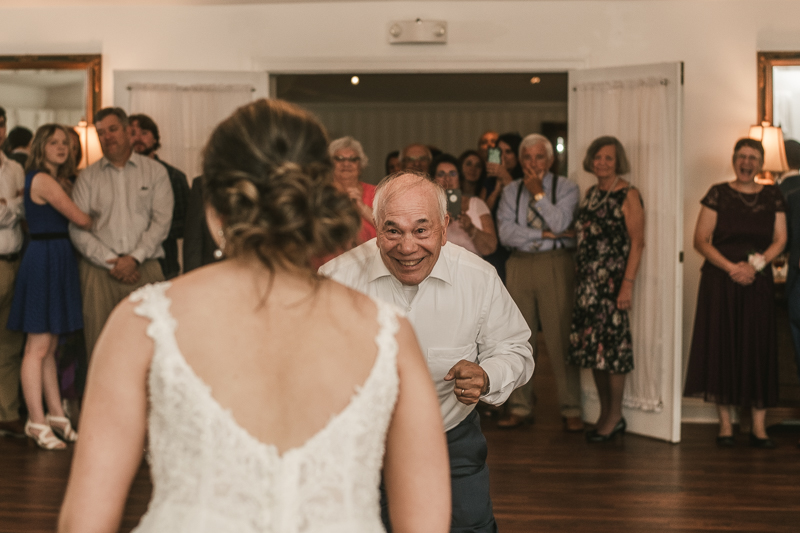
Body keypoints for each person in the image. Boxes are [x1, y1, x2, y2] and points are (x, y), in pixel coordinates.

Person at [58, 99, 450, 533]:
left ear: (214, 210)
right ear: (317, 198)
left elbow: (85, 524)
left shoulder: (142, 322)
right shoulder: (388, 333)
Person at [320, 171, 533, 533]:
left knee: (472, 526)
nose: (407, 247)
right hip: (360, 445)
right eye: (393, 231)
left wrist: (487, 375)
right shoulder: (335, 280)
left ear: (445, 227)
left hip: (451, 436)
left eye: (421, 230)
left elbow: (515, 348)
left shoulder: (478, 278)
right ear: (375, 226)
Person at [684, 138, 787, 449]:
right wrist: (732, 268)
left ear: (760, 163)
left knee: (758, 347)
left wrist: (754, 266)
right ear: (733, 159)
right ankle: (726, 425)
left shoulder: (773, 195)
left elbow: (780, 239)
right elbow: (701, 240)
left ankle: (758, 427)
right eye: (741, 156)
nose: (746, 162)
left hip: (758, 281)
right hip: (720, 281)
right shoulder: (718, 193)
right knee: (722, 346)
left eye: (753, 158)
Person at [6, 124, 93, 449]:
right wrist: (100, 216)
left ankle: (56, 415)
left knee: (50, 347)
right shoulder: (42, 179)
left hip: (56, 256)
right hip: (44, 258)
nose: (62, 147)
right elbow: (82, 219)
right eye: (54, 142)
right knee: (37, 347)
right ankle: (36, 420)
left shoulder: (59, 180)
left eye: (66, 143)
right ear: (40, 147)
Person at [68, 107, 173, 360]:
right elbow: (76, 228)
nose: (107, 137)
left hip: (145, 267)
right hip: (99, 271)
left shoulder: (155, 172)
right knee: (101, 348)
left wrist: (134, 258)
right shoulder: (88, 178)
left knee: (151, 346)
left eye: (113, 130)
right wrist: (111, 260)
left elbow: (162, 222)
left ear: (128, 131)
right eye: (101, 133)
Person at [496, 133, 584, 431]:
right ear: (520, 161)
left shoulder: (568, 188)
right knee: (519, 338)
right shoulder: (510, 191)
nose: (533, 163)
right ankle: (520, 406)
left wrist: (537, 194)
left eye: (540, 157)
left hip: (555, 265)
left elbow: (561, 222)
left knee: (559, 338)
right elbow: (506, 234)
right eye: (528, 158)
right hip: (519, 264)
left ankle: (571, 407)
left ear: (551, 160)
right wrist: (543, 235)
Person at [567, 136, 645, 442]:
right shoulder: (590, 193)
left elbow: (637, 243)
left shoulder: (628, 193)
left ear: (618, 162)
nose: (602, 162)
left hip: (613, 285)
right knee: (593, 353)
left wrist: (627, 285)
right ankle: (605, 413)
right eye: (597, 157)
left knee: (612, 353)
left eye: (608, 158)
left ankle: (615, 416)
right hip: (587, 285)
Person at [129, 114, 190, 279]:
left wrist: (153, 229)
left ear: (155, 138)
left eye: (144, 133)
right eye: (132, 133)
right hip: (126, 266)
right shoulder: (115, 176)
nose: (138, 138)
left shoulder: (174, 176)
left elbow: (186, 222)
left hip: (164, 264)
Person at [0, 106, 27, 439]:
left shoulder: (16, 169)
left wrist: (7, 206)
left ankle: (6, 413)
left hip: (15, 261)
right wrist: (12, 206)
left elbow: (22, 211)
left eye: (2, 124)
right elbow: (14, 210)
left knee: (9, 343)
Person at [430, 153, 496, 257]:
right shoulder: (425, 206)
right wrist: (440, 226)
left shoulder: (476, 203)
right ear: (433, 179)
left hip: (471, 266)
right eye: (441, 174)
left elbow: (490, 248)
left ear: (460, 179)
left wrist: (471, 228)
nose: (447, 178)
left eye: (452, 174)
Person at [329, 136, 376, 244]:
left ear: (361, 165)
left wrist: (362, 208)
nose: (346, 164)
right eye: (339, 158)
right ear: (330, 164)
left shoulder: (378, 193)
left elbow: (392, 228)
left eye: (353, 159)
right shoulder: (320, 193)